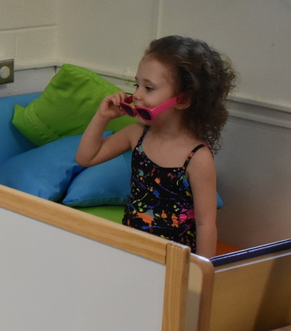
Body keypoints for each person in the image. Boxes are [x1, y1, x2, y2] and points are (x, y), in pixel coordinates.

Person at [76, 35, 236, 258]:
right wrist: (102, 117)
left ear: (182, 100)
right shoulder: (137, 134)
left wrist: (201, 277)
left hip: (174, 262)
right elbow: (86, 158)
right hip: (132, 249)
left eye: (149, 88)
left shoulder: (197, 157)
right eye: (137, 85)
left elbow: (206, 224)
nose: (137, 95)